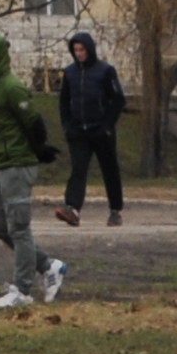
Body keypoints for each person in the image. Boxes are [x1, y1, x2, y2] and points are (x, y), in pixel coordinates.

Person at [0, 32, 66, 308]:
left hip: (15, 166)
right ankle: (49, 266)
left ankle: (22, 291)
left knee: (19, 228)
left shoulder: (12, 87)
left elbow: (33, 122)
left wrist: (40, 150)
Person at [54, 32, 129, 228]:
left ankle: (115, 210)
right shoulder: (69, 73)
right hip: (79, 131)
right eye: (75, 50)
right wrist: (67, 126)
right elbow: (63, 102)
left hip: (101, 130)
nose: (78, 54)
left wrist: (107, 125)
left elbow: (118, 100)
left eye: (82, 50)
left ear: (89, 49)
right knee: (78, 169)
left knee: (109, 169)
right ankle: (72, 208)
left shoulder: (105, 71)